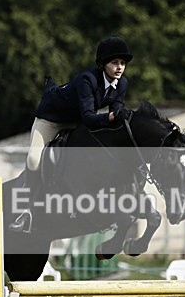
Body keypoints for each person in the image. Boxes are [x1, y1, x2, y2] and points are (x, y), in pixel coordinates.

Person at [10, 36, 133, 232]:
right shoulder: (87, 79)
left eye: (123, 63)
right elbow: (90, 117)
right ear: (103, 64)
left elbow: (116, 113)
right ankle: (26, 210)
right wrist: (112, 117)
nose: (119, 67)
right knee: (34, 159)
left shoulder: (122, 83)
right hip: (51, 119)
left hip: (76, 121)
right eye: (114, 62)